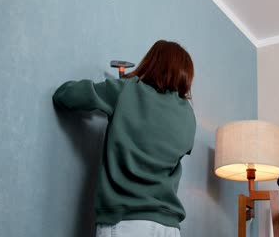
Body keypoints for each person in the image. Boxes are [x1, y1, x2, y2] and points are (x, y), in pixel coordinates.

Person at [53, 40, 196, 237]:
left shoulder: (126, 90)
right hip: (169, 227)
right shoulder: (188, 115)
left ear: (152, 62)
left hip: (127, 221)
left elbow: (65, 95)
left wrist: (120, 92)